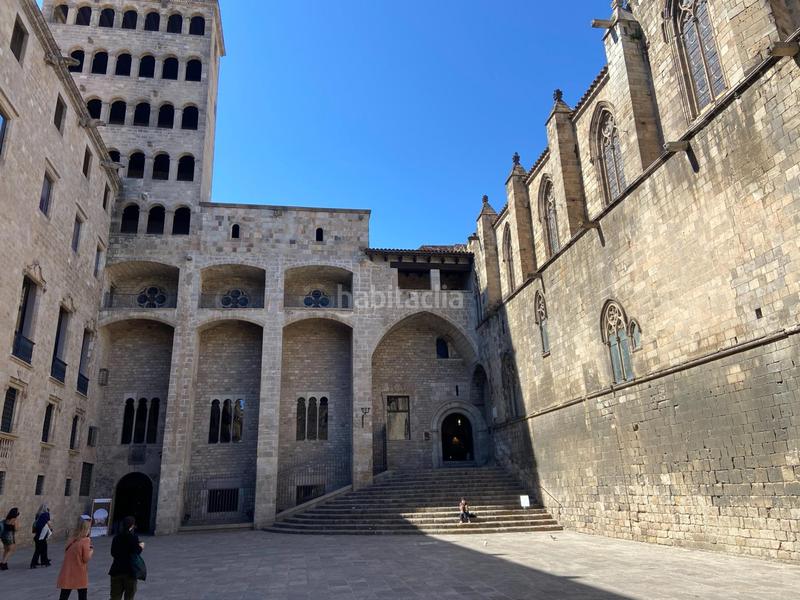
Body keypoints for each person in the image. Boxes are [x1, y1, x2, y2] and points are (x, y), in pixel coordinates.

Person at [56, 517, 93, 600]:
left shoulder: (71, 539)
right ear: (86, 529)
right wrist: (91, 551)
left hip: (68, 571)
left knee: (64, 595)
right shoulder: (86, 540)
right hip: (80, 572)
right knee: (82, 594)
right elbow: (86, 558)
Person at [109, 516, 144, 600]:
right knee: (129, 597)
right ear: (132, 526)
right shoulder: (133, 537)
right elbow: (136, 552)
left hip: (116, 569)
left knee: (114, 597)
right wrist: (141, 547)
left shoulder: (116, 537)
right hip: (129, 571)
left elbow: (113, 553)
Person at [30, 503, 53, 568]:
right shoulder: (46, 514)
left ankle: (42, 561)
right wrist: (51, 529)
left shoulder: (38, 514)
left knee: (41, 548)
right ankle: (35, 563)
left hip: (38, 534)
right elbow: (48, 523)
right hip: (42, 535)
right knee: (40, 549)